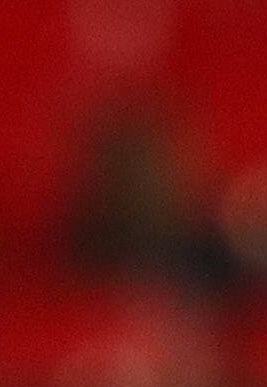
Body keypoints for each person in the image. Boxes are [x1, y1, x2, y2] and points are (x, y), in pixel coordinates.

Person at [58, 98, 238, 295]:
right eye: (129, 169)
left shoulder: (215, 260)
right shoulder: (76, 255)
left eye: (153, 168)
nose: (142, 181)